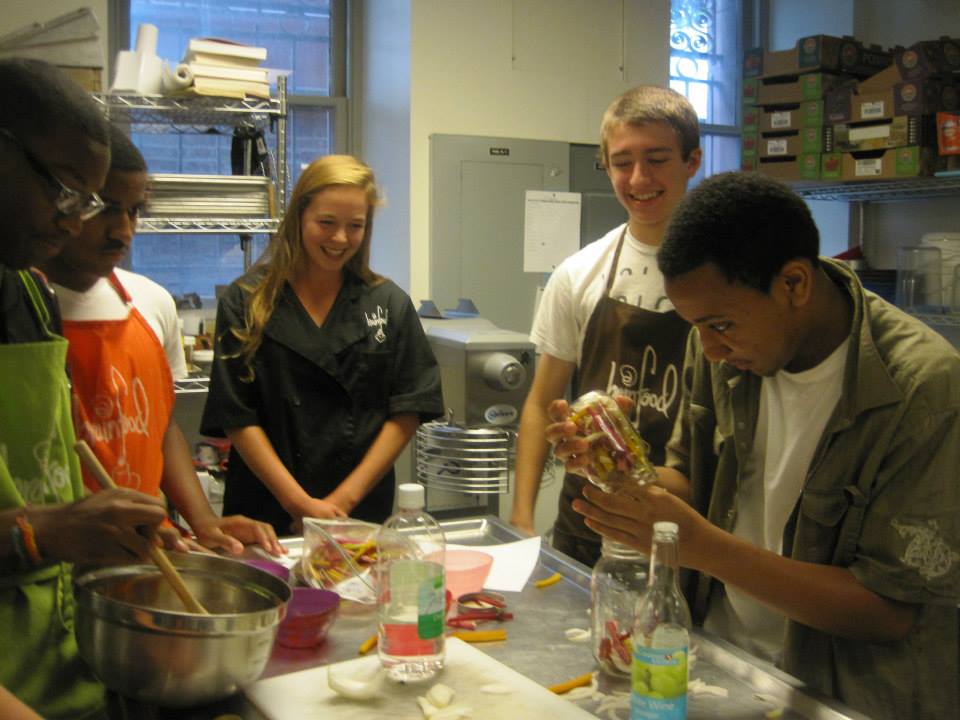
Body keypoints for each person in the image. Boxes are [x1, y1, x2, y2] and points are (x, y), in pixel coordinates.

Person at [558, 171, 960, 719]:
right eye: (695, 326)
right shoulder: (725, 349)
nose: (709, 349)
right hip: (726, 662)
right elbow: (689, 484)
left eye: (719, 325)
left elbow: (888, 609)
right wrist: (619, 470)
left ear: (794, 284)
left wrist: (700, 546)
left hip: (839, 690)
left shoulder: (922, 389)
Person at [0, 58, 168, 719]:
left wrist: (111, 531)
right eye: (65, 190)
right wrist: (44, 534)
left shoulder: (27, 297)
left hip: (65, 677)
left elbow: (48, 471)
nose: (74, 222)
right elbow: (40, 524)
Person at [40, 128, 283, 557]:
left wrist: (202, 521)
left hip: (145, 553)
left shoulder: (152, 303)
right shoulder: (24, 312)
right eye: (106, 211)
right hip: (52, 557)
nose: (124, 231)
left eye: (134, 212)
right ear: (66, 203)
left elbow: (161, 425)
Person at [201, 155, 443, 535]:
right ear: (299, 217)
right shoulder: (246, 301)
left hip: (357, 508)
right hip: (267, 510)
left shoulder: (387, 303)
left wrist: (341, 502)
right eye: (326, 223)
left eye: (355, 226)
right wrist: (298, 503)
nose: (340, 239)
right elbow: (237, 416)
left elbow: (408, 410)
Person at [510, 86, 702, 565]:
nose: (639, 178)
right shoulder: (579, 273)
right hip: (588, 524)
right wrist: (521, 519)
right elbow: (539, 401)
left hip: (689, 532)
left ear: (692, 161)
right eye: (622, 162)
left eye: (657, 159)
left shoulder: (726, 276)